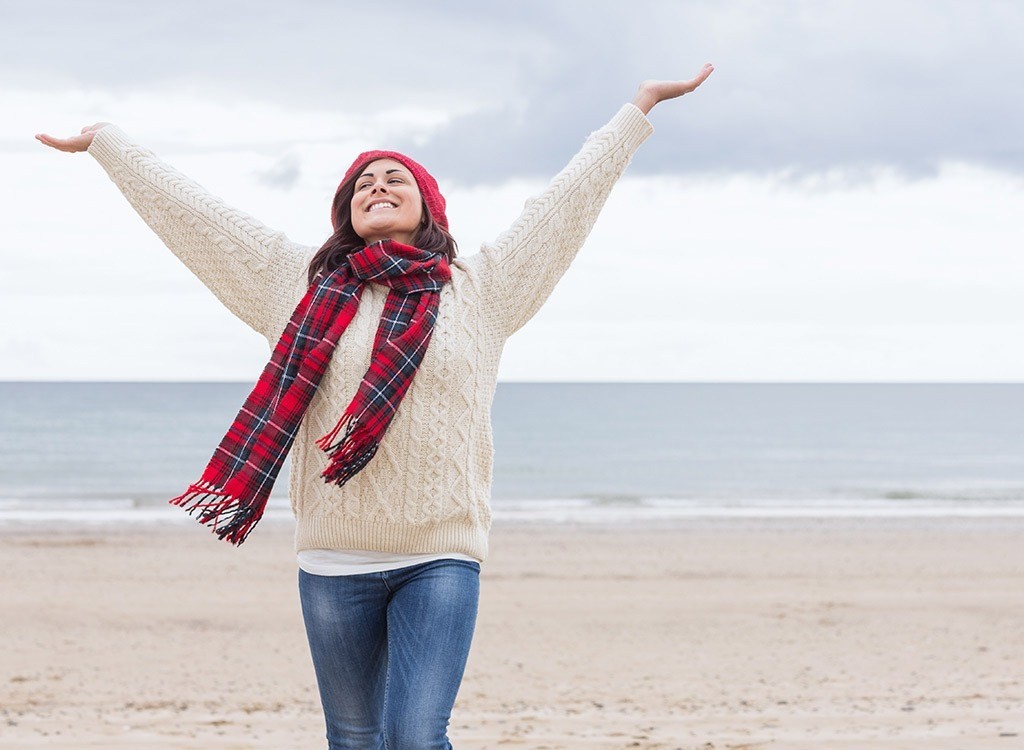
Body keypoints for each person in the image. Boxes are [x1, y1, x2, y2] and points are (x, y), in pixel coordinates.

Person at [36, 63, 714, 749]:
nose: (377, 186)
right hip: (333, 561)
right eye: (363, 183)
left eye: (395, 179)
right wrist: (109, 145)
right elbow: (201, 220)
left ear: (429, 208)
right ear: (347, 214)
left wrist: (638, 110)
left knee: (416, 736)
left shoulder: (481, 290)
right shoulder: (294, 284)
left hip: (440, 554)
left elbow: (564, 206)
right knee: (356, 740)